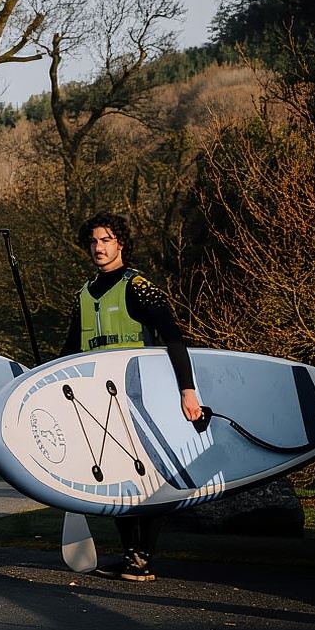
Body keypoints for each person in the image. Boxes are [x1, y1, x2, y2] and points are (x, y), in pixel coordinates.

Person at [59, 211, 201, 582]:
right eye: (93, 241)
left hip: (139, 396)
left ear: (120, 243)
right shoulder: (83, 294)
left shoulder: (138, 285)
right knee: (115, 478)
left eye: (106, 240)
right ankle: (132, 558)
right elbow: (69, 350)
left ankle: (142, 557)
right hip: (97, 401)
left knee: (148, 477)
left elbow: (173, 337)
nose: (98, 247)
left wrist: (187, 390)